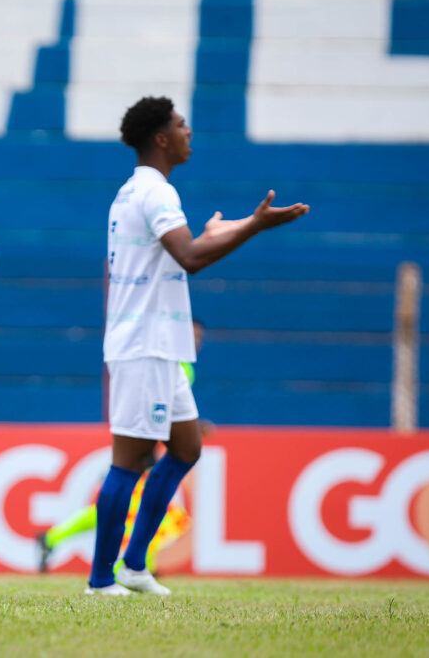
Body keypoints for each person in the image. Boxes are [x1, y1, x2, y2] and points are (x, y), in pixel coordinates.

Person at [86, 96, 308, 596]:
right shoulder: (157, 193)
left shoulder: (132, 192)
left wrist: (212, 234)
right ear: (161, 138)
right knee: (129, 459)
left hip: (160, 345)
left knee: (186, 447)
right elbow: (189, 257)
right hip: (146, 346)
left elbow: (177, 251)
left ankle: (135, 566)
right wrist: (253, 226)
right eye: (182, 125)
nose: (190, 132)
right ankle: (101, 581)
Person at [38, 319, 207, 574]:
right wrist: (192, 429)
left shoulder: (182, 365)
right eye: (191, 334)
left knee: (127, 509)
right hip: (143, 444)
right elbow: (164, 409)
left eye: (199, 337)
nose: (195, 340)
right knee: (153, 510)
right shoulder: (174, 364)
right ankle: (137, 566)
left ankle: (54, 539)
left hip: (144, 444)